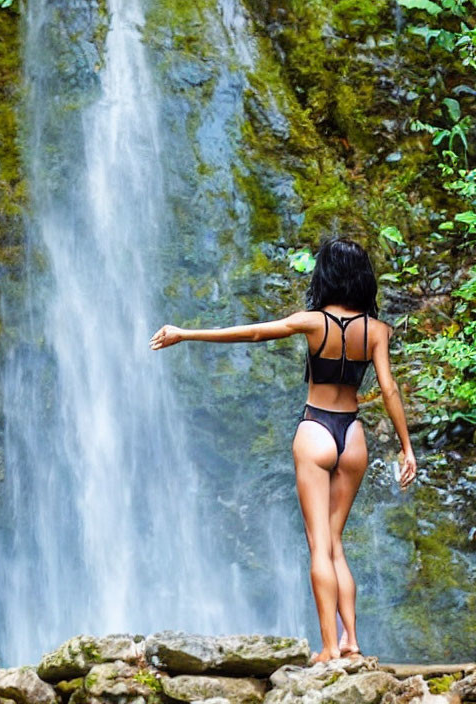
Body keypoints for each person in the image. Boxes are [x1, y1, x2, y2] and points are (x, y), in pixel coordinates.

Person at [149, 237, 417, 663]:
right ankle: (352, 640)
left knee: (318, 546)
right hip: (353, 436)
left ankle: (329, 648)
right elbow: (388, 388)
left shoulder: (313, 322)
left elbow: (254, 333)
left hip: (316, 430)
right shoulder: (377, 331)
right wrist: (406, 448)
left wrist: (187, 333)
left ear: (326, 274)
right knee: (336, 543)